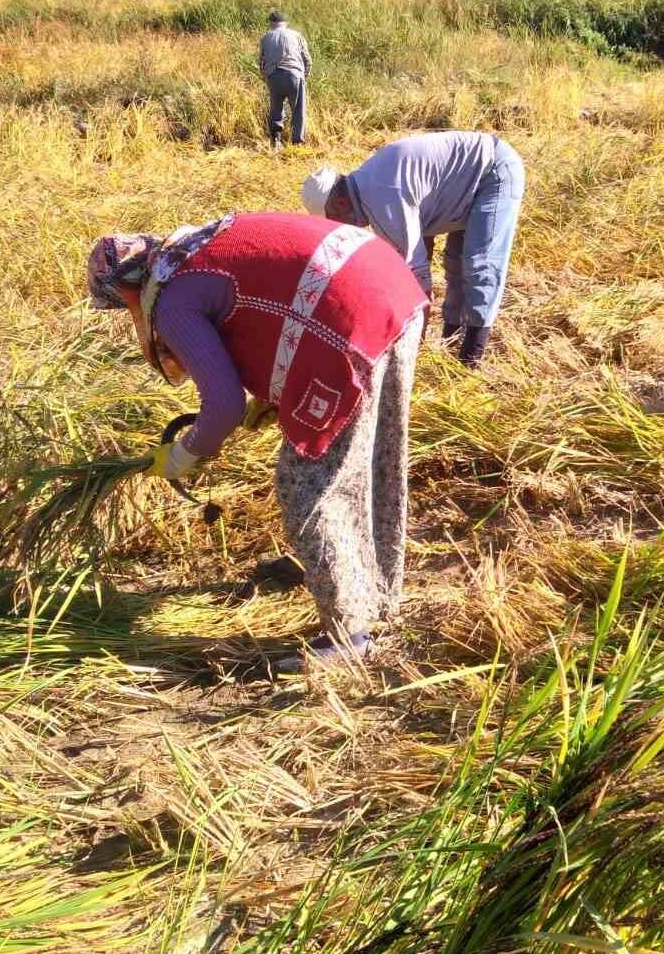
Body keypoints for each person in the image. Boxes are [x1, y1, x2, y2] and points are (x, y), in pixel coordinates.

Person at [86, 213, 427, 672]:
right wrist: (272, 394)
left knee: (307, 487)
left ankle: (350, 635)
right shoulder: (190, 250)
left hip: (349, 315)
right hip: (391, 286)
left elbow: (223, 405)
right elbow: (272, 297)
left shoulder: (170, 301)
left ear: (125, 290)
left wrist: (185, 455)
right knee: (374, 456)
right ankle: (377, 591)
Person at [300, 131, 525, 369]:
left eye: (334, 219)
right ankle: (450, 346)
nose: (339, 227)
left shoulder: (382, 199)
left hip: (492, 173)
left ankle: (471, 359)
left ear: (340, 203)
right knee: (456, 265)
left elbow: (417, 281)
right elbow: (420, 247)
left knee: (479, 264)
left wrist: (414, 353)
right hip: (461, 183)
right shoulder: (367, 184)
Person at [259, 11, 312, 148]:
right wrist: (303, 78)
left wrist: (267, 78)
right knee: (298, 111)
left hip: (274, 76)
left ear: (271, 23)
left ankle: (276, 141)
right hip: (294, 75)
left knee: (276, 109)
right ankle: (297, 143)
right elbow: (307, 59)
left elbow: (262, 63)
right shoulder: (297, 35)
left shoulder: (265, 38)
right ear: (286, 23)